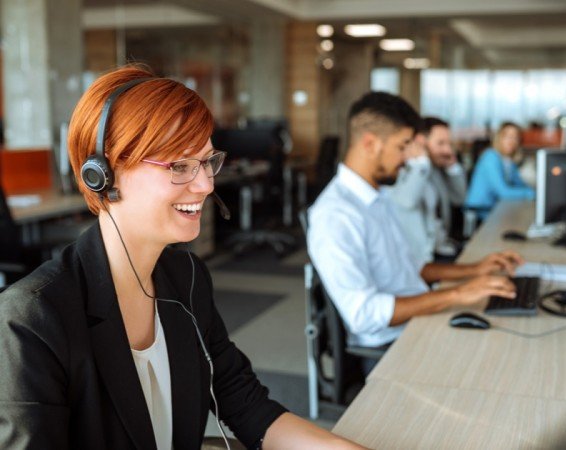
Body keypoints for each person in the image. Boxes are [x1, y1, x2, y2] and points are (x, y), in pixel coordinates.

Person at [0, 66, 365, 450]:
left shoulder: (186, 277)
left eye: (207, 162)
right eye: (179, 166)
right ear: (105, 173)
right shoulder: (32, 320)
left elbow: (247, 405)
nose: (206, 184)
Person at [307, 92, 521, 373]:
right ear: (370, 143)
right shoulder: (336, 215)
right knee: (503, 364)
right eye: (403, 146)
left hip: (419, 321)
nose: (409, 158)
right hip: (389, 346)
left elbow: (411, 268)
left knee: (512, 340)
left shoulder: (378, 197)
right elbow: (364, 315)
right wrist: (458, 294)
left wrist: (475, 270)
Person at [386, 117, 466, 263]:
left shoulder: (436, 169)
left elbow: (459, 198)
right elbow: (407, 201)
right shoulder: (406, 169)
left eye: (449, 144)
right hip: (420, 260)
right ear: (421, 141)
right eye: (441, 143)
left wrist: (452, 167)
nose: (448, 150)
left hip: (442, 248)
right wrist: (421, 162)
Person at [465, 122, 535, 220]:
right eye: (508, 136)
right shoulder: (490, 157)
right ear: (499, 138)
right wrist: (531, 193)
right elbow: (504, 192)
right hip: (480, 211)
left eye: (516, 137)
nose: (512, 141)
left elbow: (519, 183)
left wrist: (535, 190)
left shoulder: (508, 160)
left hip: (495, 208)